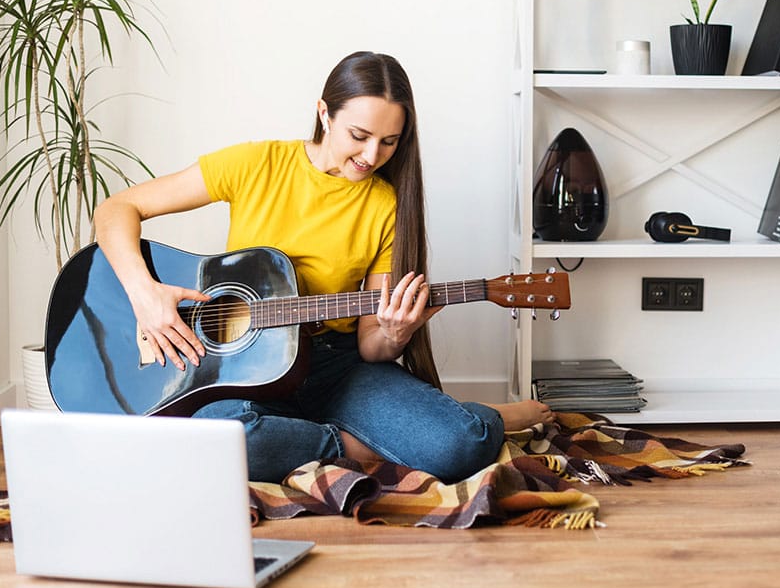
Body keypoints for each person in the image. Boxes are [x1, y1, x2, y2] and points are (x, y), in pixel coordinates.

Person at [94, 51, 554, 484]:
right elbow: (118, 208)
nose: (372, 156)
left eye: (389, 142)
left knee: (460, 445)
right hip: (238, 366)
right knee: (220, 438)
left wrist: (395, 332)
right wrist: (145, 294)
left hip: (333, 363)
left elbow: (373, 346)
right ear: (324, 113)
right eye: (359, 135)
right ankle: (354, 445)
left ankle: (479, 416)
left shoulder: (386, 205)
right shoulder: (256, 164)